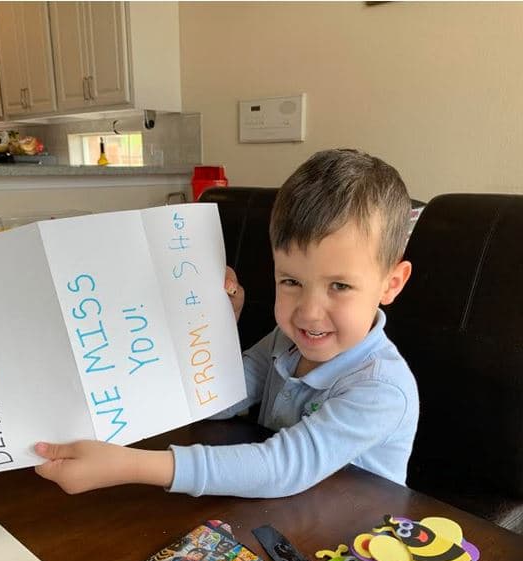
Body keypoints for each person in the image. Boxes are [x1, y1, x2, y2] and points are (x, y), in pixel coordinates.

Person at [34, 148, 418, 498]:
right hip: (286, 520)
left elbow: (281, 468)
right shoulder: (284, 343)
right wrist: (216, 326)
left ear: (392, 284)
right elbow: (214, 401)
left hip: (356, 547)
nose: (308, 312)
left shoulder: (381, 389)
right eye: (291, 282)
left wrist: (129, 465)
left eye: (340, 286)